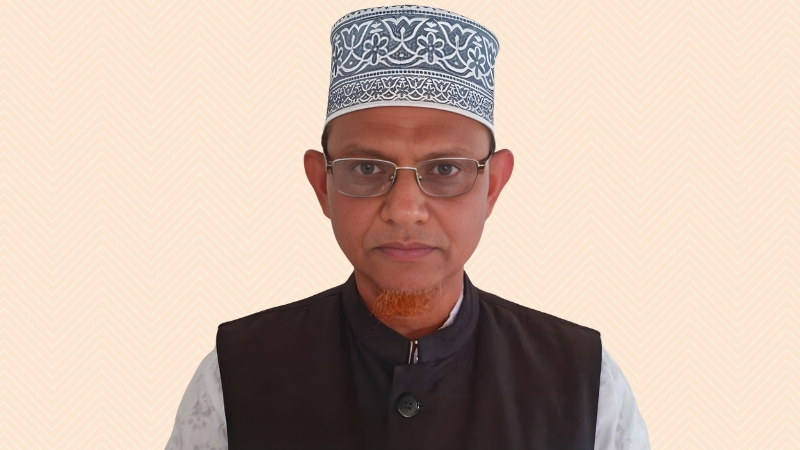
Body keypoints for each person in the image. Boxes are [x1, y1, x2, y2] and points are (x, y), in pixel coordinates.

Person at [165, 5, 650, 449]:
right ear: (322, 184)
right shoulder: (236, 376)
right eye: (367, 169)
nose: (404, 210)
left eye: (444, 169)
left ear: (493, 185)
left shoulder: (585, 381)